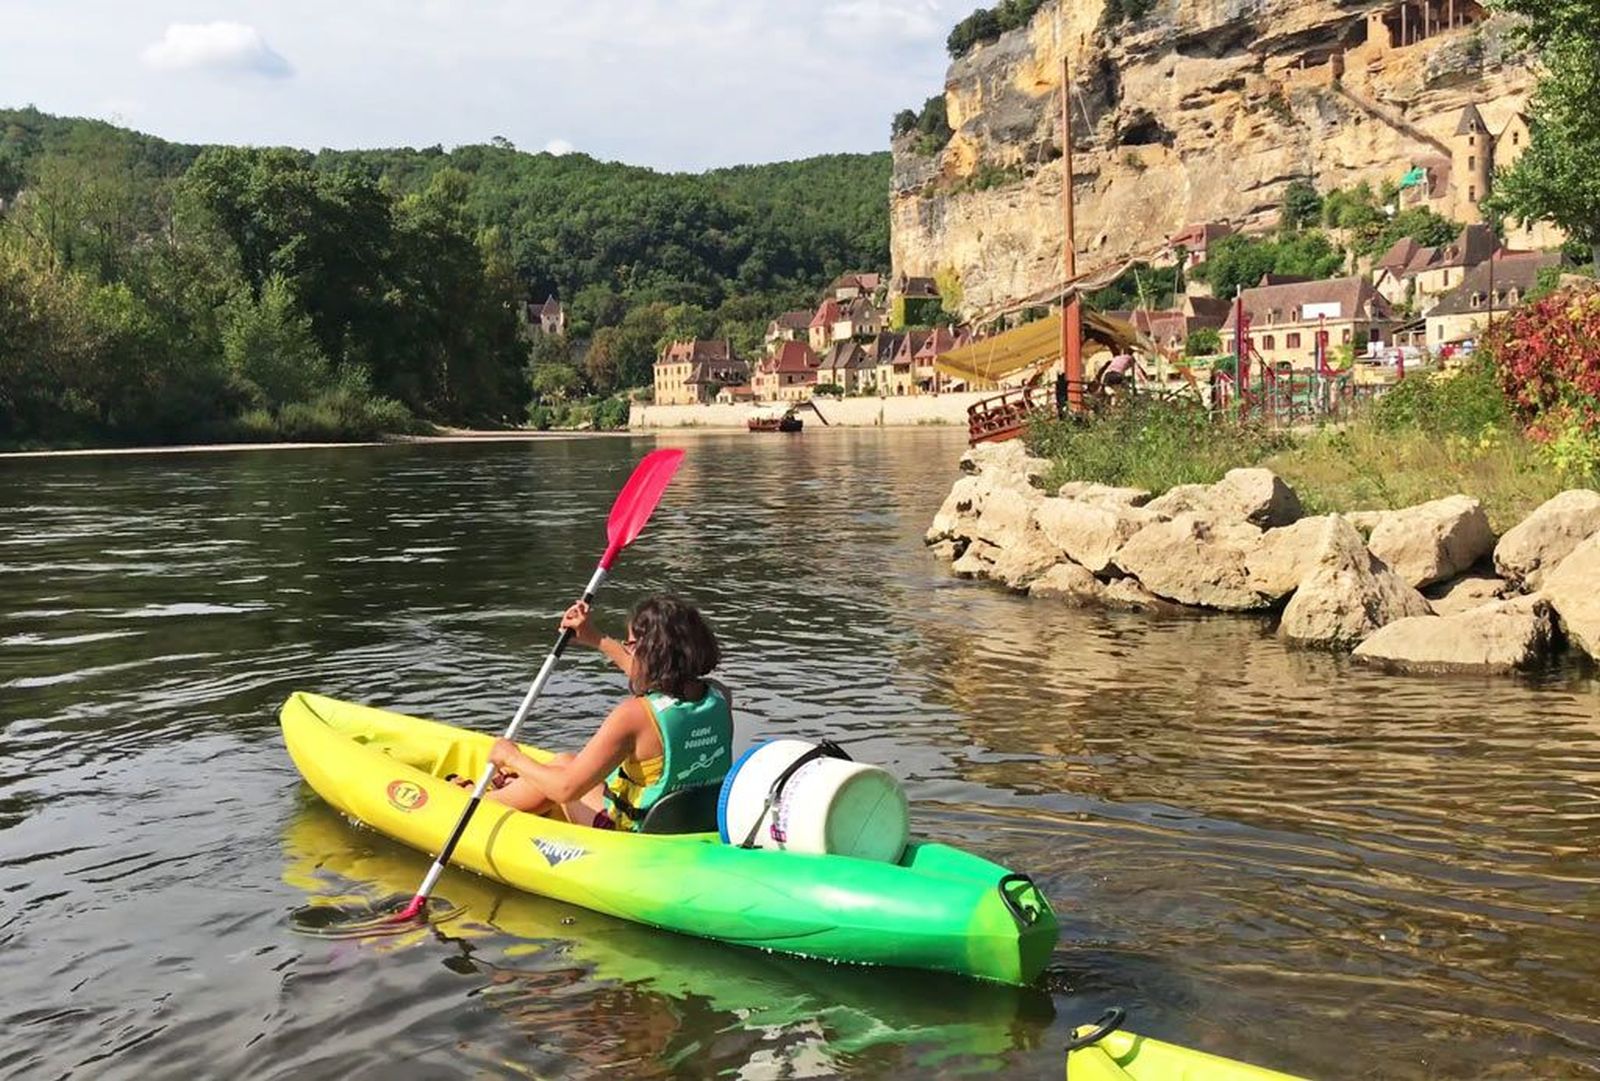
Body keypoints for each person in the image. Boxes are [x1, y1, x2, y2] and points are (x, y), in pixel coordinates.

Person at [463, 595, 734, 831]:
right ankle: (502, 794)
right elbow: (654, 676)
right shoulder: (719, 696)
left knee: (561, 771)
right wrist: (594, 637)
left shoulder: (633, 716)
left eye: (630, 645)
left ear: (651, 652)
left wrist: (510, 755)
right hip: (691, 821)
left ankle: (474, 802)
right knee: (565, 760)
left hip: (632, 834)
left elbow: (566, 789)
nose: (628, 651)